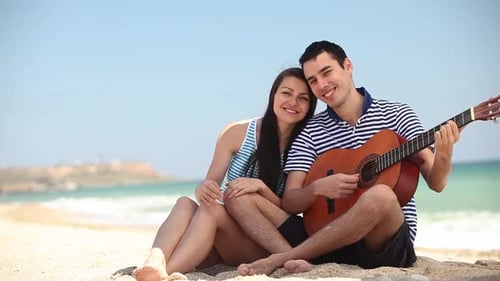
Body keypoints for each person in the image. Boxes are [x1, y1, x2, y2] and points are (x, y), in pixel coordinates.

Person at [230, 40, 461, 275]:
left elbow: (437, 183)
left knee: (381, 195)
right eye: (313, 81)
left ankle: (285, 258)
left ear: (348, 66)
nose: (322, 85)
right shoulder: (310, 131)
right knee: (239, 196)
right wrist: (318, 188)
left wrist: (444, 153)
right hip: (325, 241)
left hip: (382, 244)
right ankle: (302, 260)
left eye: (326, 72)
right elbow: (290, 201)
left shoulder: (397, 114)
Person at [132, 67, 317, 281]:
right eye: (286, 93)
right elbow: (210, 185)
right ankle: (155, 262)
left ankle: (164, 273)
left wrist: (261, 188)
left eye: (303, 98)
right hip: (226, 234)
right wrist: (203, 188)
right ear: (273, 94)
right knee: (185, 202)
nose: (293, 102)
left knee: (212, 211)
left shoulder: (305, 145)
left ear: (311, 106)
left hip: (265, 243)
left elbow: (290, 209)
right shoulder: (237, 132)